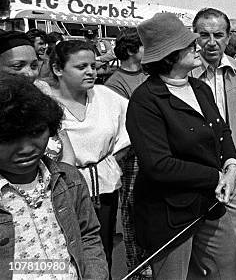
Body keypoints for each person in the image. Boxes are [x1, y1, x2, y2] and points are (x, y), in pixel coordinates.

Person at [126, 13, 236, 279]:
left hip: (211, 201)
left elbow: (222, 130)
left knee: (230, 268)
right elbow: (159, 165)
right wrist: (215, 176)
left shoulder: (199, 88)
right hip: (169, 213)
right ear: (169, 55)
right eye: (190, 44)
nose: (199, 47)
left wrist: (231, 164)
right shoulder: (145, 101)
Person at [0, 73, 108, 279]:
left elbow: (88, 236)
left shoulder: (69, 180)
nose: (26, 148)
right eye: (9, 138)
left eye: (35, 132)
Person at [191, 8, 236, 280]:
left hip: (229, 160)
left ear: (227, 37)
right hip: (197, 163)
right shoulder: (187, 70)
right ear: (194, 36)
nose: (211, 42)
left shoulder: (234, 67)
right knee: (200, 232)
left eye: (218, 35)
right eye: (204, 35)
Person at [48, 40, 131, 271]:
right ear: (58, 69)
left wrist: (111, 162)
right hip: (60, 191)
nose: (91, 72)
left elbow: (130, 129)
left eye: (93, 66)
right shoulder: (45, 101)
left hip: (103, 191)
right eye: (81, 66)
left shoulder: (106, 96)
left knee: (101, 252)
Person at [104, 27, 150, 279]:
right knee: (132, 207)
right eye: (144, 46)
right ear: (132, 51)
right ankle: (136, 266)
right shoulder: (115, 83)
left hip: (152, 151)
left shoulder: (148, 74)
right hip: (132, 155)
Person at [0, 31, 76, 165]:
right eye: (18, 66)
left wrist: (62, 179)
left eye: (34, 66)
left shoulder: (42, 89)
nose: (29, 74)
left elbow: (67, 151)